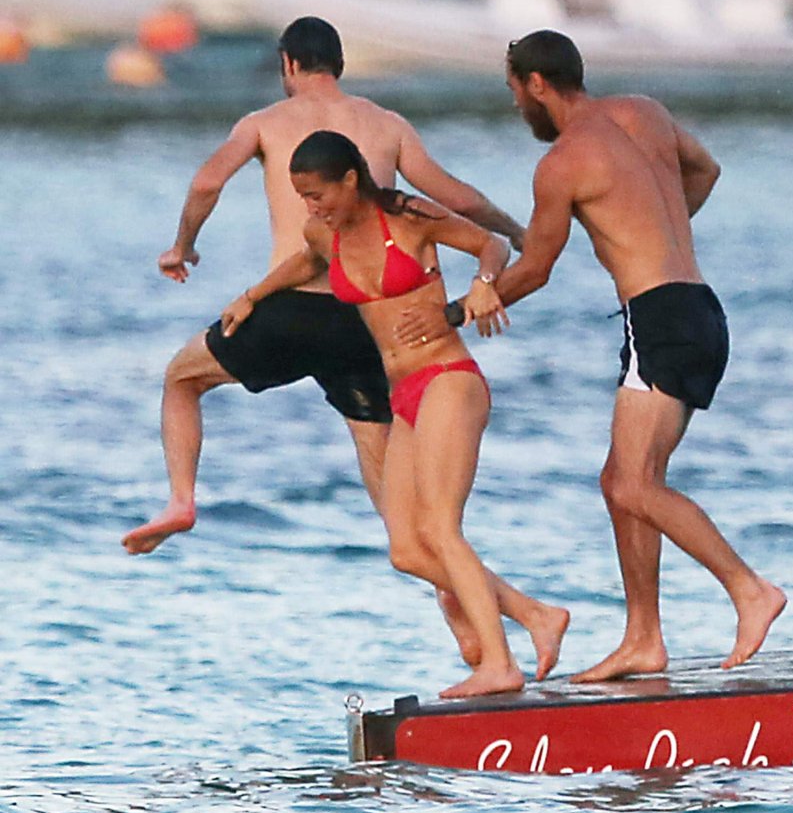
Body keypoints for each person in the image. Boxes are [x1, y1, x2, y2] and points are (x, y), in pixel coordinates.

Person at [393, 29, 786, 682]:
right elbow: (705, 170)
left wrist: (459, 309)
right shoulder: (644, 112)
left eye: (515, 91)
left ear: (536, 85)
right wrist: (655, 230)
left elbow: (537, 269)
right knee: (623, 481)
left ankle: (749, 589)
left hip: (659, 319)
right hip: (697, 308)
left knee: (633, 484)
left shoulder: (563, 163)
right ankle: (643, 639)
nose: (516, 106)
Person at [122, 16, 525, 557]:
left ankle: (181, 500)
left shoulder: (263, 122)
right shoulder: (387, 124)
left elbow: (207, 181)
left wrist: (182, 246)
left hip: (288, 311)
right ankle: (442, 579)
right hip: (366, 319)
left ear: (288, 64)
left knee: (182, 379)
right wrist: (515, 231)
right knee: (387, 475)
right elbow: (458, 198)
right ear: (340, 63)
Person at [220, 130, 568, 698]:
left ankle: (500, 663)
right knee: (406, 548)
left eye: (317, 195)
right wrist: (252, 296)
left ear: (350, 179)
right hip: (401, 394)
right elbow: (304, 263)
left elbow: (490, 245)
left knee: (440, 528)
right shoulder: (323, 233)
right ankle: (535, 614)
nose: (311, 207)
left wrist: (482, 288)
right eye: (302, 197)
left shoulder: (409, 219)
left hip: (448, 378)